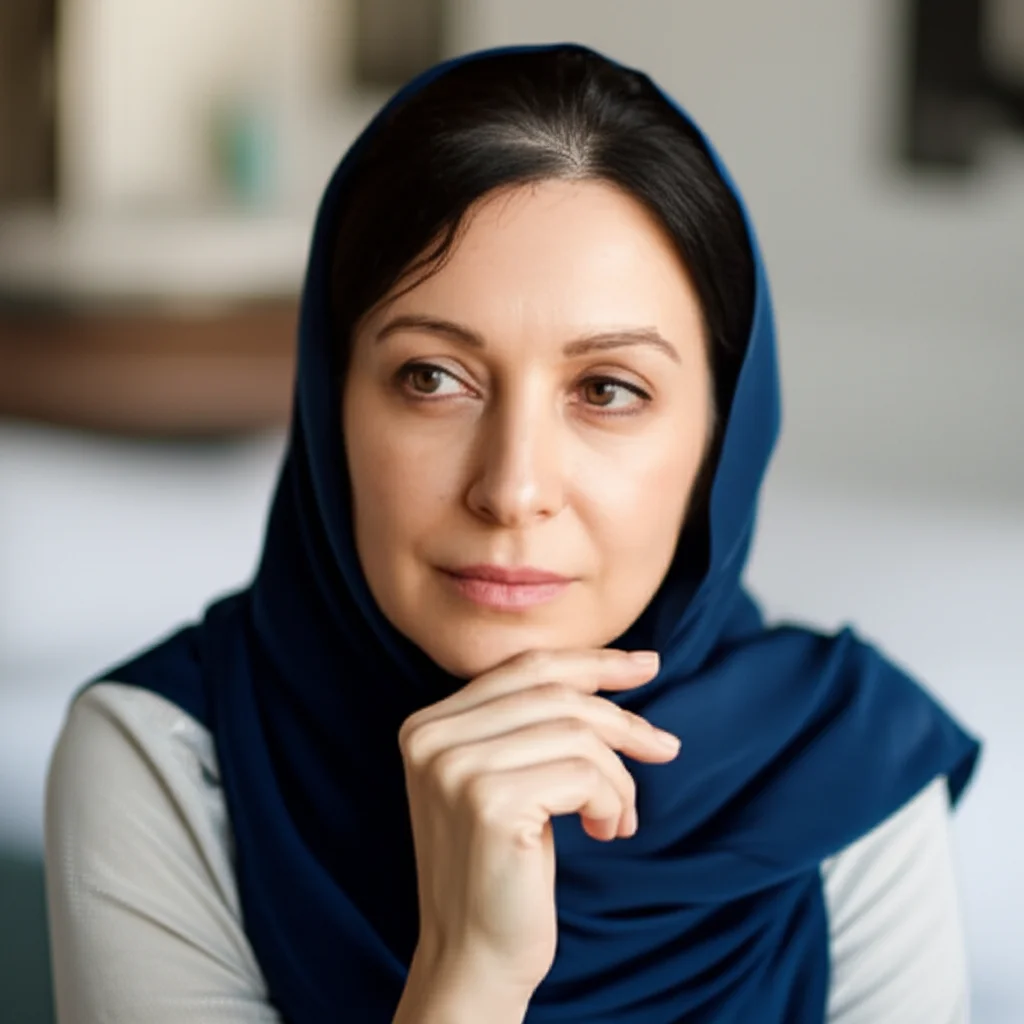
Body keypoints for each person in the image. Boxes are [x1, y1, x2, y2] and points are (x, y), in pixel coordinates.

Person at [43, 43, 980, 1024]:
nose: (512, 488)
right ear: (330, 401)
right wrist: (471, 973)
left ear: (721, 439)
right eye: (431, 378)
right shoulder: (173, 756)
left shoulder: (844, 769)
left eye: (607, 390)